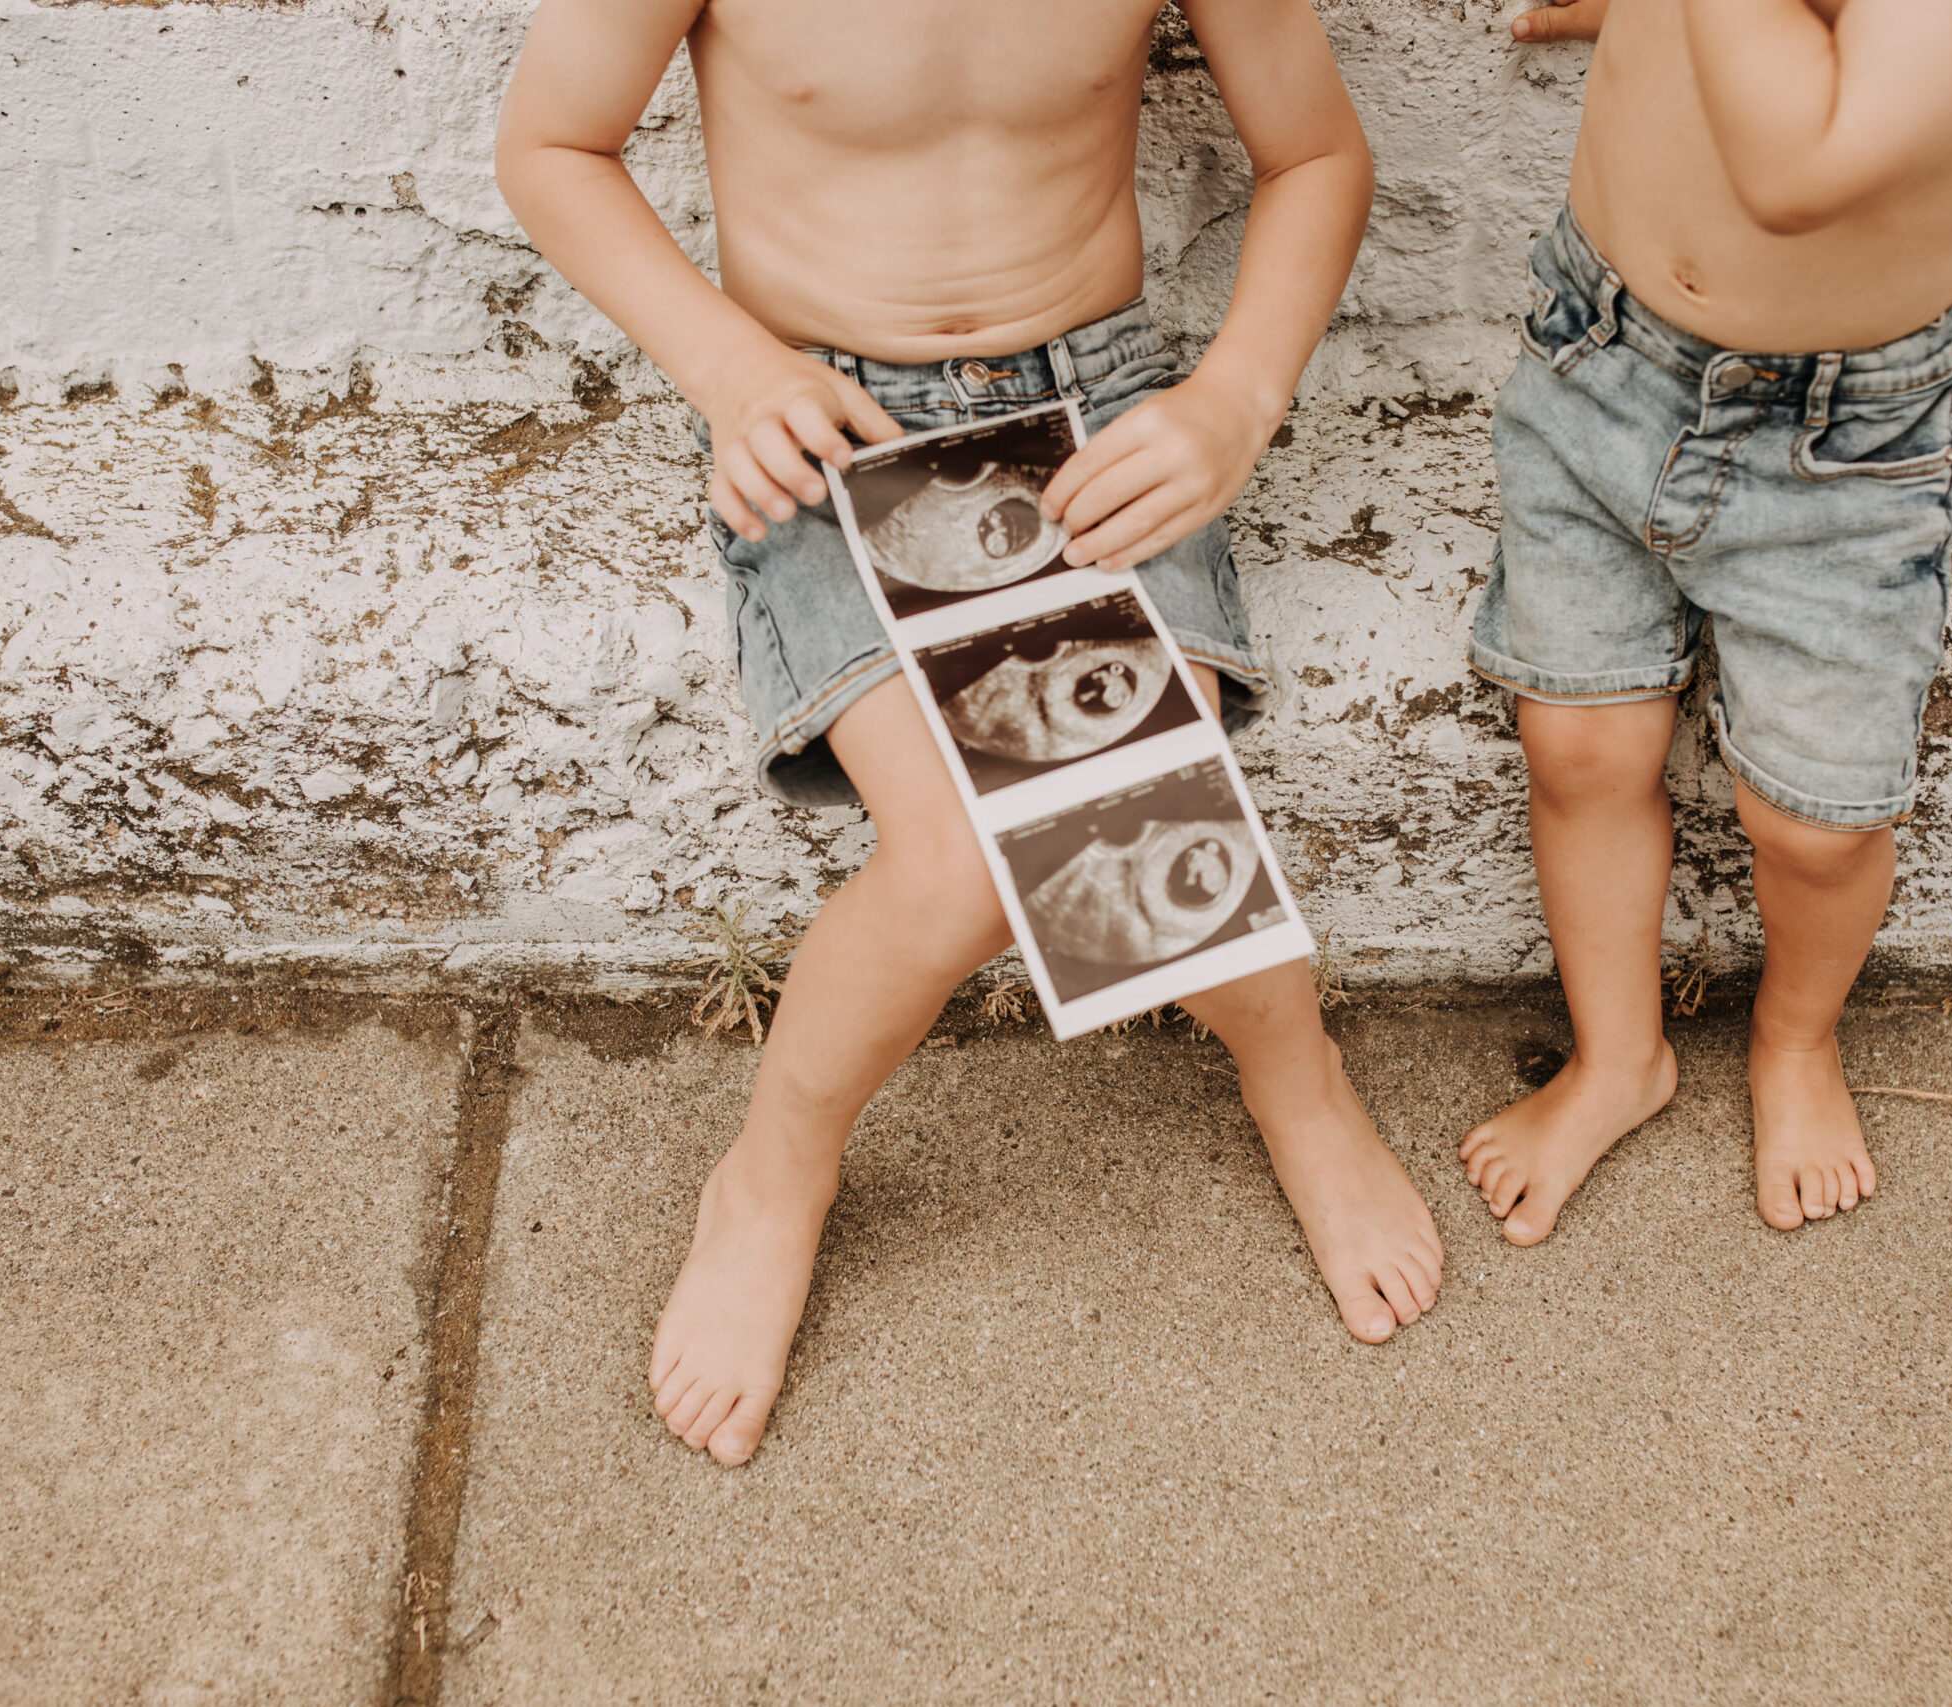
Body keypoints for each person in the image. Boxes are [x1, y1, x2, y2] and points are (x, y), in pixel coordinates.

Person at [496, 0, 1443, 1468]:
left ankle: (1294, 1075)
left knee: (1116, 804)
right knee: (962, 862)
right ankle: (774, 1167)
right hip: (826, 419)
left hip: (1096, 417)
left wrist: (1235, 403)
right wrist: (729, 370)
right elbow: (552, 143)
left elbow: (1316, 152)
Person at [1461, 0, 1952, 1240]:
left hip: (1842, 446)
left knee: (1814, 823)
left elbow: (1800, 165)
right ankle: (1617, 1058)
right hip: (1597, 351)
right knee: (1578, 742)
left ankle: (1796, 1041)